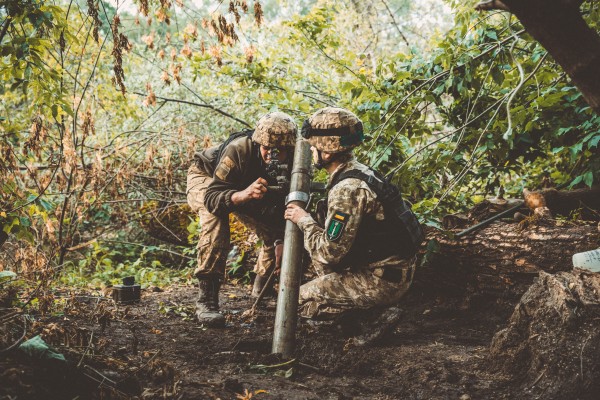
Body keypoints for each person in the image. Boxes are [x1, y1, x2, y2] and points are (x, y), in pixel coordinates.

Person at [284, 107, 423, 320]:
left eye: (313, 148)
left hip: (379, 282)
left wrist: (304, 220)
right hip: (393, 272)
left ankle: (369, 318)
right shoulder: (360, 172)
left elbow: (329, 253)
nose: (311, 152)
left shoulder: (347, 189)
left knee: (294, 301)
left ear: (327, 151)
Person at [187, 112, 297, 327]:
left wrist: (280, 239)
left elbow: (285, 206)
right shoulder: (240, 150)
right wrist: (243, 195)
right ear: (258, 143)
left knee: (272, 230)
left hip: (244, 186)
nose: (270, 155)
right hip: (207, 177)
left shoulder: (298, 159)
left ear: (290, 148)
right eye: (266, 148)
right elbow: (212, 198)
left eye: (278, 151)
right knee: (215, 219)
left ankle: (262, 290)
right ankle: (207, 299)